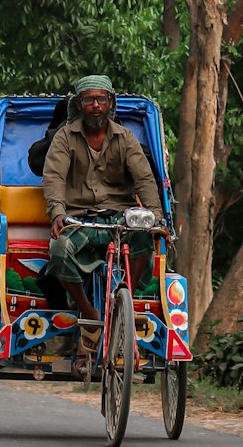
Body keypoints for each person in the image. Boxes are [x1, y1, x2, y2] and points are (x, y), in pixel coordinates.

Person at [42, 74, 163, 327]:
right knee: (59, 250)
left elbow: (144, 178)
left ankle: (125, 295)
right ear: (79, 104)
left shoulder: (126, 138)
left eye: (101, 99)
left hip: (120, 218)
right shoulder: (64, 138)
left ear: (110, 102)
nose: (96, 105)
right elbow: (54, 177)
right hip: (80, 219)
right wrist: (57, 212)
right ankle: (87, 310)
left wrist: (156, 216)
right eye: (89, 99)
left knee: (144, 237)